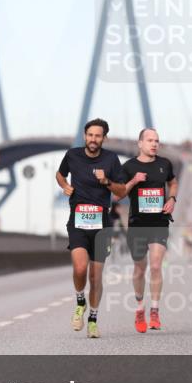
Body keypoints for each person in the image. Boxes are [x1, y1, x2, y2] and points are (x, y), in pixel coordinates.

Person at [56, 119, 129, 338]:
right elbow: (60, 174)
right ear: (85, 135)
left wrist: (106, 181)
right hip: (77, 222)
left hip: (101, 225)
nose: (93, 139)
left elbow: (122, 191)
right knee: (80, 269)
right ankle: (80, 302)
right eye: (90, 135)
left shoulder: (111, 159)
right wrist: (65, 186)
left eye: (98, 136)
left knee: (96, 277)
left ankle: (93, 320)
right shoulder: (73, 155)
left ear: (103, 138)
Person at [120, 129, 177, 333]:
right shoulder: (128, 167)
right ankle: (139, 308)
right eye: (150, 140)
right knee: (139, 269)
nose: (154, 144)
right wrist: (134, 181)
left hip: (159, 223)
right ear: (140, 143)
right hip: (137, 224)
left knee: (155, 266)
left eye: (157, 141)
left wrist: (172, 199)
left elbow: (172, 182)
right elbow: (119, 194)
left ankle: (154, 311)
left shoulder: (164, 164)